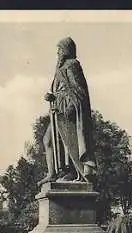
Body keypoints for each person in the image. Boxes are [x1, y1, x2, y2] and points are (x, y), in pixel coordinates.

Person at [37, 37, 97, 187]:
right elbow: (60, 89)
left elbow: (79, 90)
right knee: (48, 140)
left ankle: (71, 171)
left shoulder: (72, 65)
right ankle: (52, 173)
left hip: (68, 111)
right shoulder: (61, 68)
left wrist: (72, 106)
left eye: (59, 49)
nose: (57, 52)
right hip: (58, 110)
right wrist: (51, 96)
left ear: (65, 49)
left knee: (69, 142)